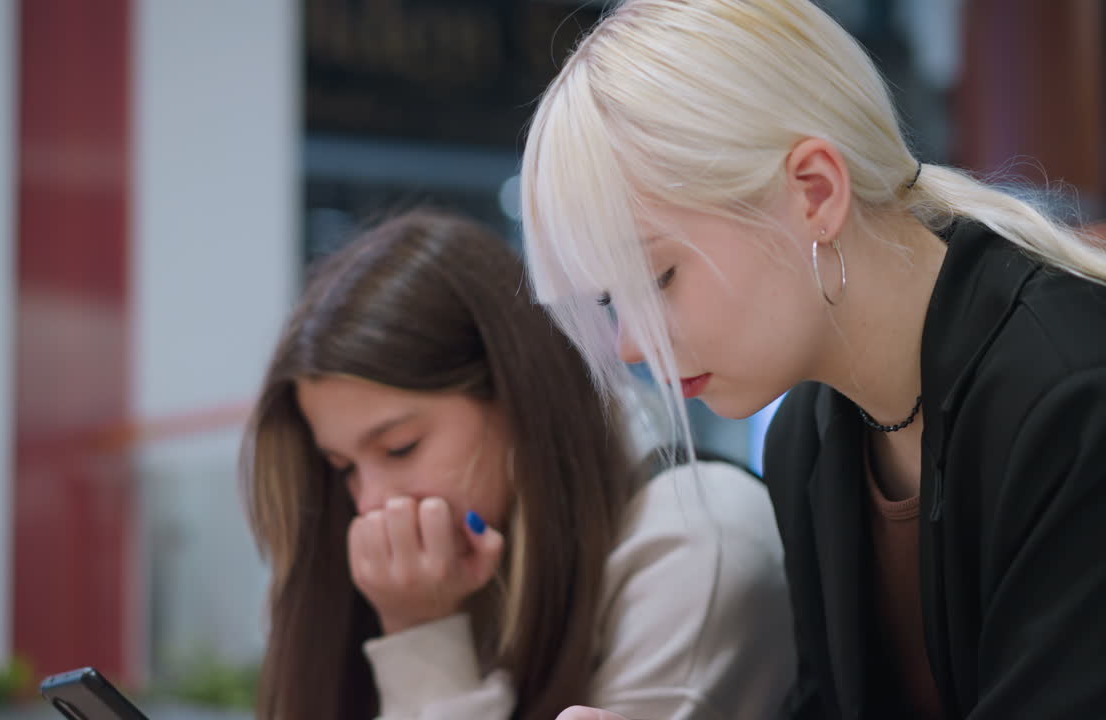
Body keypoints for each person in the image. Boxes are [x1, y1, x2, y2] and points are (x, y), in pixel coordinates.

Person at [519, 1, 1106, 718]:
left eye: (659, 278)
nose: (632, 346)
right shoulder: (810, 437)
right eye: (611, 300)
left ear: (816, 191)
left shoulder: (1087, 402)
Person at [240, 210, 795, 720]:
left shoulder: (699, 542)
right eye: (345, 469)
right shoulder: (474, 550)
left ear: (515, 394)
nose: (372, 504)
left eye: (401, 447)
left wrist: (424, 637)